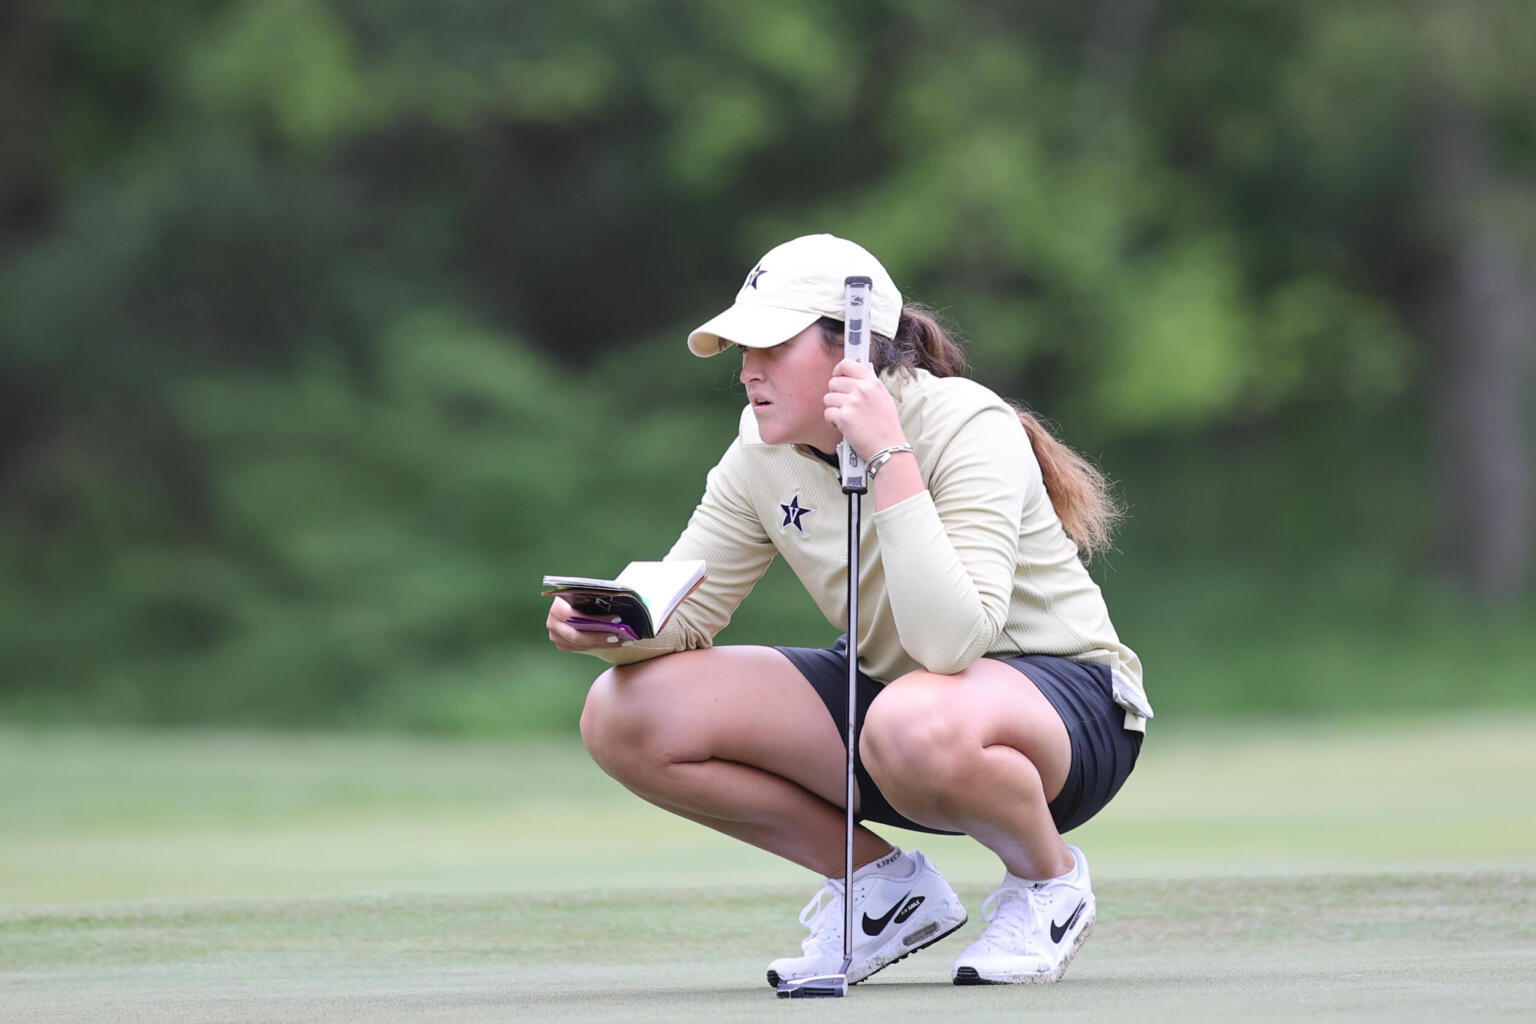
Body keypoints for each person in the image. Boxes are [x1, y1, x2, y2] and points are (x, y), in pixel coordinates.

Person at [547, 233, 1152, 988]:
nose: (746, 370)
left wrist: (888, 456)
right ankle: (881, 891)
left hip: (1067, 708)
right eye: (743, 348)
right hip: (896, 706)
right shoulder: (759, 451)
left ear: (855, 348)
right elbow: (687, 612)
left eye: (770, 344)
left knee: (913, 717)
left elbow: (951, 641)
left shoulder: (965, 423)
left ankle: (1047, 883)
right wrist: (612, 626)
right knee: (624, 712)